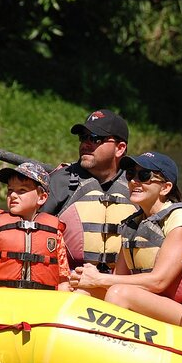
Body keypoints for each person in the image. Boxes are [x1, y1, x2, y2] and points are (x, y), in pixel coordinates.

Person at [68, 151, 182, 318]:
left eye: (144, 175)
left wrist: (99, 279)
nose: (133, 181)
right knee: (79, 291)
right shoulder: (133, 224)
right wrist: (87, 277)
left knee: (119, 293)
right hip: (151, 302)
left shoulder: (180, 219)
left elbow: (158, 282)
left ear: (165, 188)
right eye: (131, 174)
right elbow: (119, 277)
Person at [39, 109, 138, 273]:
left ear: (120, 148)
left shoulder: (139, 184)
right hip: (70, 282)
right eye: (83, 137)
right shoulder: (61, 181)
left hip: (122, 284)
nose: (85, 144)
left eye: (95, 138)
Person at [0, 162, 70, 291]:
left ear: (42, 197)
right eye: (10, 190)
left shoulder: (54, 233)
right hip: (1, 301)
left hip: (41, 303)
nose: (12, 195)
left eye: (22, 190)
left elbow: (63, 280)